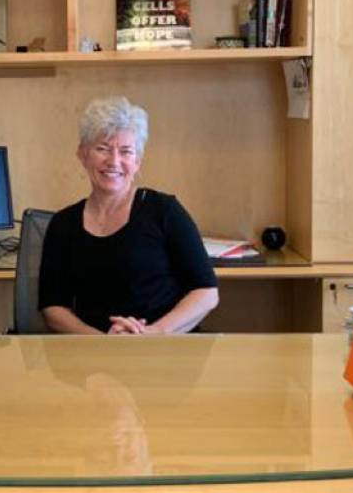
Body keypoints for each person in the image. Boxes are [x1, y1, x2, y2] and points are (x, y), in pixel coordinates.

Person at [38, 96, 219, 334]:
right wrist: (101, 342)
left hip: (162, 352)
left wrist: (154, 332)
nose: (114, 161)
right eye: (102, 148)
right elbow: (52, 307)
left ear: (137, 162)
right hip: (91, 357)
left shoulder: (164, 210)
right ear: (82, 155)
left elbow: (206, 292)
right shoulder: (63, 223)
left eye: (126, 151)